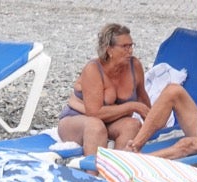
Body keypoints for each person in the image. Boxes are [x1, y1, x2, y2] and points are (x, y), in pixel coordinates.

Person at [58, 22, 151, 156]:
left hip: (111, 121)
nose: (130, 51)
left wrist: (152, 120)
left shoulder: (134, 65)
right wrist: (131, 106)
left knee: (133, 124)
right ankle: (92, 174)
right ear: (109, 49)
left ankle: (118, 170)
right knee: (95, 126)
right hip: (78, 119)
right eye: (124, 47)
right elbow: (94, 113)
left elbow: (142, 96)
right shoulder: (93, 69)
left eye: (131, 45)